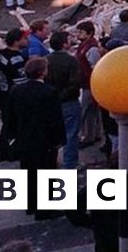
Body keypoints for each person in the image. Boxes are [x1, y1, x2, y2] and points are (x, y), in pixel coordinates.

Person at [8, 57, 66, 218]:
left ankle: (30, 204)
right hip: (44, 139)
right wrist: (59, 139)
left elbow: (10, 117)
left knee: (28, 172)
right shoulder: (49, 92)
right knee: (46, 172)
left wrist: (12, 137)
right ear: (43, 72)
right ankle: (44, 209)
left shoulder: (16, 90)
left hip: (24, 139)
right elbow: (55, 119)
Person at [46, 31, 81, 169]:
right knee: (71, 134)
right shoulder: (71, 60)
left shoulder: (46, 59)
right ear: (64, 43)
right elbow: (74, 83)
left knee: (51, 133)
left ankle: (51, 162)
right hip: (69, 102)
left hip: (51, 103)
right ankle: (70, 164)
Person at [0, 28, 28, 161]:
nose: (27, 41)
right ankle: (11, 151)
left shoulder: (1, 55)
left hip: (1, 93)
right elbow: (21, 81)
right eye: (24, 39)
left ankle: (3, 151)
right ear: (16, 41)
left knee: (7, 124)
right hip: (13, 97)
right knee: (14, 125)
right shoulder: (17, 59)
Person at [74, 22, 102, 149]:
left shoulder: (92, 49)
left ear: (89, 33)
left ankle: (88, 136)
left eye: (81, 32)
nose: (78, 35)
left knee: (88, 111)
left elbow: (95, 69)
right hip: (85, 84)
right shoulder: (84, 46)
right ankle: (94, 134)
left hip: (90, 85)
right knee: (91, 112)